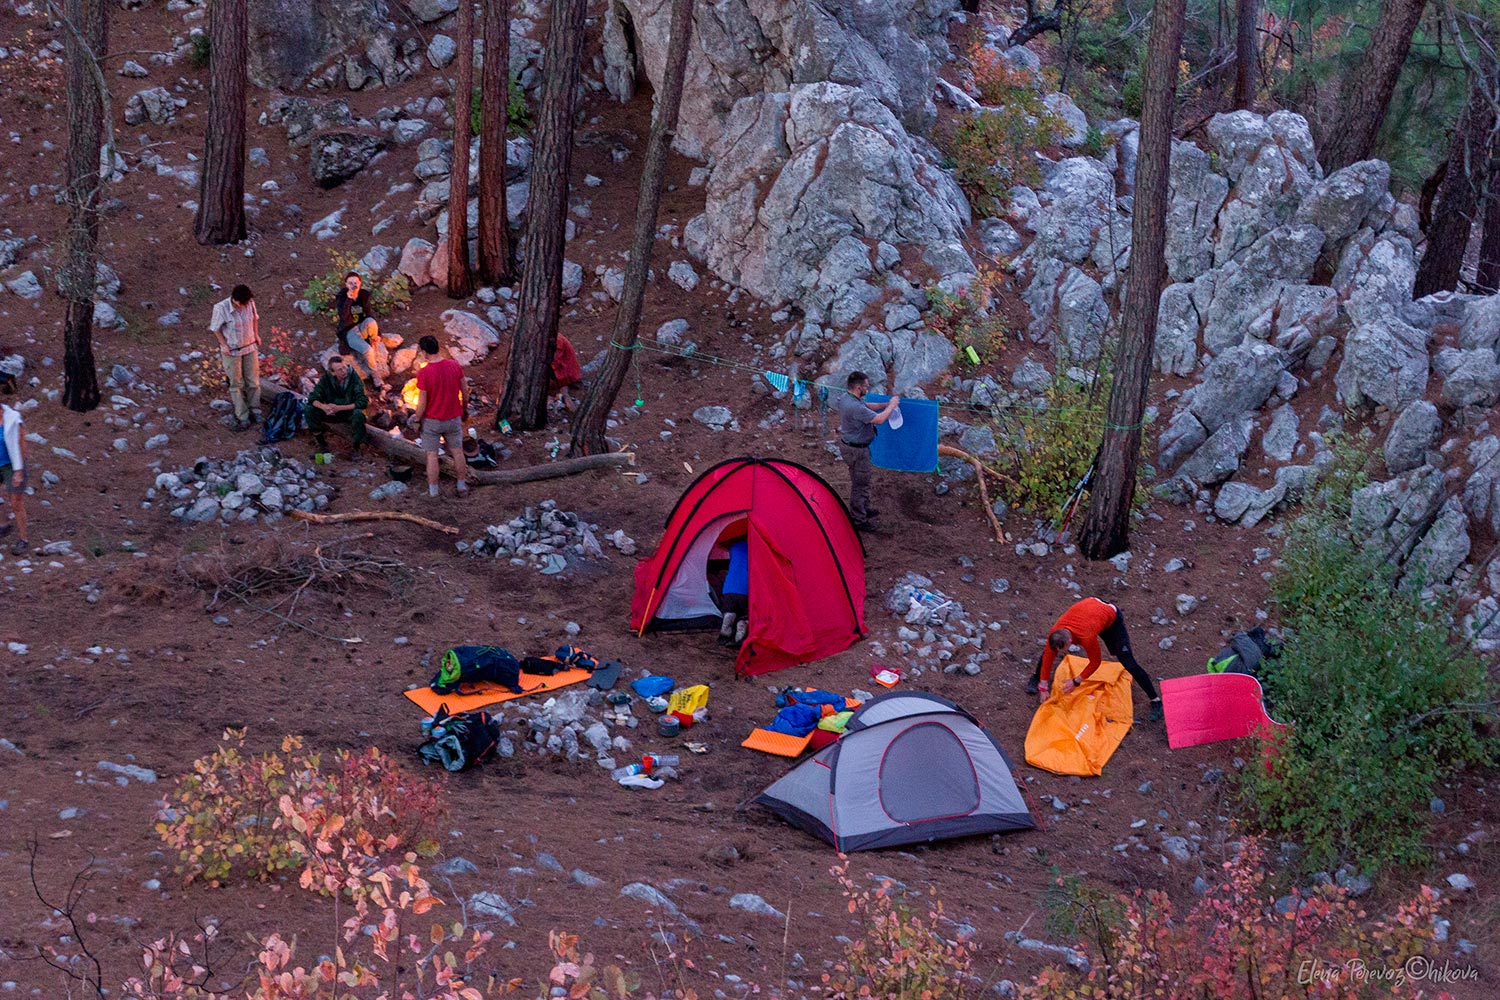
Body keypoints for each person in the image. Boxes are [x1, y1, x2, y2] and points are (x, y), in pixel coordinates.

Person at [1030, 597, 1163, 722]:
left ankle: (1155, 700)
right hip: (1092, 612)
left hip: (1111, 619)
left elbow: (1095, 662)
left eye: (1062, 650)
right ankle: (1036, 678)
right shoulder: (1056, 633)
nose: (1059, 653)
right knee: (1047, 652)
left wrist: (1076, 681)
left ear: (1070, 642)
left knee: (1128, 662)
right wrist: (1043, 687)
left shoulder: (1086, 635)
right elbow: (1048, 656)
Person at [836, 371, 900, 530]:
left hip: (849, 447)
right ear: (858, 387)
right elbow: (879, 419)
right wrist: (892, 406)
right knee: (860, 484)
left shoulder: (846, 398)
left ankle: (863, 508)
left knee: (860, 481)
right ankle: (859, 519)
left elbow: (866, 406)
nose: (868, 388)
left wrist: (884, 405)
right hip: (857, 451)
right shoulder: (854, 406)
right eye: (866, 386)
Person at [410, 335, 469, 498]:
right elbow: (464, 390)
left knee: (432, 455)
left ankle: (434, 491)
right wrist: (464, 409)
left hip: (432, 421)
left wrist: (416, 419)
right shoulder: (454, 365)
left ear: (424, 351)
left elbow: (422, 402)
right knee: (458, 452)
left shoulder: (424, 372)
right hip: (453, 418)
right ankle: (461, 485)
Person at [208, 283, 261, 431]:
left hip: (250, 347)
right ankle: (242, 415)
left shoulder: (250, 303)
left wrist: (256, 334)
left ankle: (255, 409)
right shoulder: (221, 308)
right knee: (236, 384)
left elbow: (255, 318)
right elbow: (216, 329)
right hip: (232, 351)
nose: (244, 306)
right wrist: (224, 345)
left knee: (253, 381)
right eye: (241, 304)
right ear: (235, 300)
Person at [332, 272, 397, 390]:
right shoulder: (342, 297)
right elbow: (344, 317)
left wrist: (378, 334)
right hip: (350, 331)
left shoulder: (363, 295)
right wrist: (349, 299)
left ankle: (373, 342)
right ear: (346, 284)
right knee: (368, 350)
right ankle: (375, 375)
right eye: (350, 283)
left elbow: (368, 313)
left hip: (362, 326)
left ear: (360, 284)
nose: (353, 286)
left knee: (371, 321)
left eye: (355, 283)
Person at [306, 355, 368, 454]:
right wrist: (324, 407)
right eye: (340, 370)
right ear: (333, 372)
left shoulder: (353, 378)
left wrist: (339, 408)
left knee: (358, 415)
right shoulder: (326, 379)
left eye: (345, 367)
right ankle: (322, 444)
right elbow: (313, 398)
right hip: (331, 412)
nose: (344, 371)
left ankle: (357, 447)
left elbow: (363, 402)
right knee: (309, 409)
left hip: (348, 413)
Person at [1, 401, 28, 555]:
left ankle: (23, 539)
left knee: (16, 502)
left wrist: (19, 470)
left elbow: (22, 443)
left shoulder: (13, 418)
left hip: (12, 464)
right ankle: (3, 525)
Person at [718, 538, 749, 647]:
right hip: (747, 590)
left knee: (730, 608)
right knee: (745, 613)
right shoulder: (759, 548)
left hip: (729, 588)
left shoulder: (735, 547)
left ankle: (727, 622)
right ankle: (742, 626)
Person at [550, 333, 584, 412]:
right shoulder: (553, 337)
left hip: (566, 372)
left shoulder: (557, 340)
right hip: (563, 369)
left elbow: (555, 363)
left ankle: (559, 396)